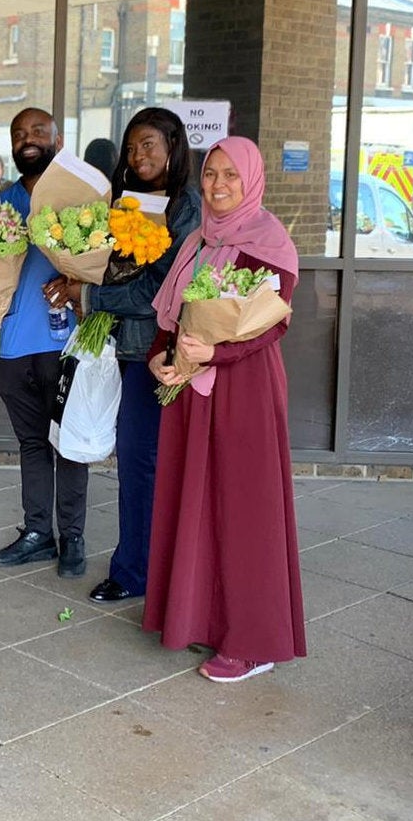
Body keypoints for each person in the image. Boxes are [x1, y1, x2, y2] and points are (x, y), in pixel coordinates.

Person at [144, 136, 304, 683]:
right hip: (191, 387)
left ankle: (254, 641)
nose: (217, 186)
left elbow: (272, 321)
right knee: (199, 503)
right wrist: (160, 361)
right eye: (210, 174)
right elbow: (173, 316)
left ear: (252, 179)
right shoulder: (195, 241)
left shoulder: (269, 241)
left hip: (244, 392)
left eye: (231, 176)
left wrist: (219, 352)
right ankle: (205, 618)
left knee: (244, 512)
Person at [46, 108, 200, 604]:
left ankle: (136, 572)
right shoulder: (126, 202)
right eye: (132, 147)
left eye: (150, 144)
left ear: (174, 146)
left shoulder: (184, 208)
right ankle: (143, 565)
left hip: (154, 353)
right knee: (134, 460)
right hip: (117, 347)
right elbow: (106, 267)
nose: (139, 156)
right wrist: (75, 280)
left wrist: (87, 295)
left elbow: (161, 291)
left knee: (141, 461)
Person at [0, 107, 90, 576]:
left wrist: (77, 284)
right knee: (31, 443)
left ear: (57, 141)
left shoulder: (78, 200)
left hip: (63, 343)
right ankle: (37, 532)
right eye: (19, 133)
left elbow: (96, 265)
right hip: (12, 343)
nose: (28, 139)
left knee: (69, 442)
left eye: (38, 131)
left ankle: (74, 537)